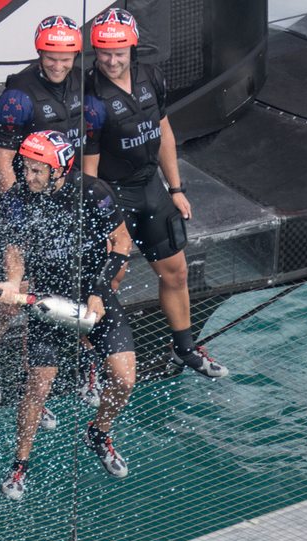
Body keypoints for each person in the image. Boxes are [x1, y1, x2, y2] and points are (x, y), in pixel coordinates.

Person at [82, 8, 228, 378]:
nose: (111, 60)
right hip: (113, 195)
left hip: (151, 187)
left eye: (118, 52)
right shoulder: (90, 98)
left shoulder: (151, 76)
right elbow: (89, 170)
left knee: (175, 272)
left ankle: (184, 349)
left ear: (133, 48)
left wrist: (175, 188)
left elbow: (163, 132)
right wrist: (99, 216)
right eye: (103, 52)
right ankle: (89, 365)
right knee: (107, 281)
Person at [0, 131, 137, 500]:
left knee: (124, 379)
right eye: (26, 168)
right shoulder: (18, 198)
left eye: (38, 170)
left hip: (94, 297)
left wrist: (100, 291)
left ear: (60, 170)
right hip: (48, 302)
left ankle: (99, 431)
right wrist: (13, 281)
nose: (30, 176)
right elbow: (14, 247)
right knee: (39, 383)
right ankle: (20, 464)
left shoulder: (93, 192)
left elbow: (122, 242)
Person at [0, 15, 88, 410]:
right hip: (21, 206)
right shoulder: (18, 95)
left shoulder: (82, 81)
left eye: (66, 58)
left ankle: (32, 384)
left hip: (60, 204)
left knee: (47, 296)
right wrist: (18, 211)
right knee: (13, 296)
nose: (58, 65)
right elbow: (2, 162)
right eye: (50, 57)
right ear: (39, 52)